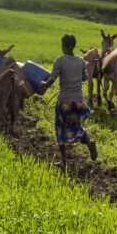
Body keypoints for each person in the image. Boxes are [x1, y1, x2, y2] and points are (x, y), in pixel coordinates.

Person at [40, 34, 98, 168]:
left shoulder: (59, 60)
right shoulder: (80, 61)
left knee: (59, 128)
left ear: (64, 46)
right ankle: (89, 143)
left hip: (65, 102)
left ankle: (64, 161)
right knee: (76, 126)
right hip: (79, 102)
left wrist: (44, 84)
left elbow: (52, 79)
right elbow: (84, 78)